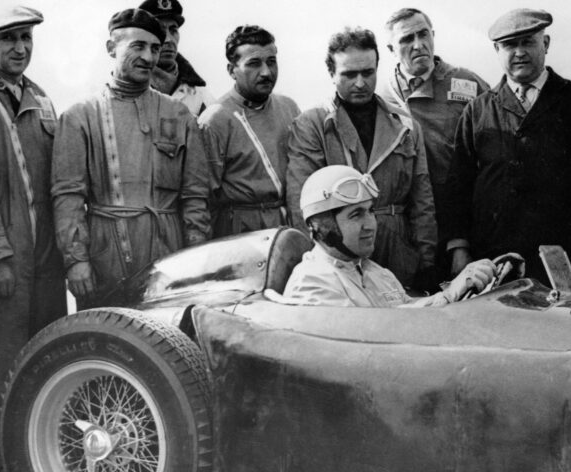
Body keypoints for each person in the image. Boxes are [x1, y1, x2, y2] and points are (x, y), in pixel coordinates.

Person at [52, 8, 210, 309]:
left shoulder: (180, 116)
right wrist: (76, 262)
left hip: (170, 258)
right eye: (137, 46)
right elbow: (68, 196)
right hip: (105, 258)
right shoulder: (79, 117)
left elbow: (196, 197)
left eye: (154, 48)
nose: (149, 57)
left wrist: (196, 258)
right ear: (111, 48)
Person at [445, 9, 571, 286]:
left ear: (545, 44)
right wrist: (459, 246)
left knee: (560, 324)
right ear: (497, 50)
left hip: (560, 250)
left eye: (528, 42)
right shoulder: (477, 111)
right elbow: (458, 185)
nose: (519, 52)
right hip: (492, 254)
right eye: (510, 45)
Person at [286, 26, 437, 290]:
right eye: (349, 74)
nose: (360, 83)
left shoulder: (405, 125)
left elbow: (422, 199)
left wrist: (426, 261)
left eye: (368, 73)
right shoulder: (312, 125)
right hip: (341, 252)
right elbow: (303, 204)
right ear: (332, 74)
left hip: (397, 248)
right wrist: (322, 259)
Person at [0, 4, 66, 472]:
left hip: (45, 256)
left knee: (44, 352)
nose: (20, 47)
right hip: (6, 254)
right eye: (8, 39)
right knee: (3, 357)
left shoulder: (39, 98)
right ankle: (2, 466)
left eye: (25, 38)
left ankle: (34, 461)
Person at [284, 165, 496, 307]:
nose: (370, 225)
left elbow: (409, 312)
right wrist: (448, 295)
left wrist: (462, 289)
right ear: (323, 227)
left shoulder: (378, 273)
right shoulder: (312, 283)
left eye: (370, 212)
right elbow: (367, 339)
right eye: (356, 215)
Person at [379, 8, 489, 276]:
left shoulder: (468, 83)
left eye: (423, 34)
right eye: (407, 39)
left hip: (462, 222)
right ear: (392, 48)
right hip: (408, 226)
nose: (418, 45)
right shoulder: (381, 96)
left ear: (433, 36)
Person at [199, 25, 300, 238]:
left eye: (271, 62)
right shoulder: (215, 119)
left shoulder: (288, 107)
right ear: (231, 70)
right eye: (254, 64)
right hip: (240, 232)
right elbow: (202, 198)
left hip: (289, 226)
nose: (266, 72)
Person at [138, 0, 214, 116]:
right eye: (160, 31)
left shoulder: (200, 96)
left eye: (173, 30)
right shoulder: (129, 89)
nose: (169, 40)